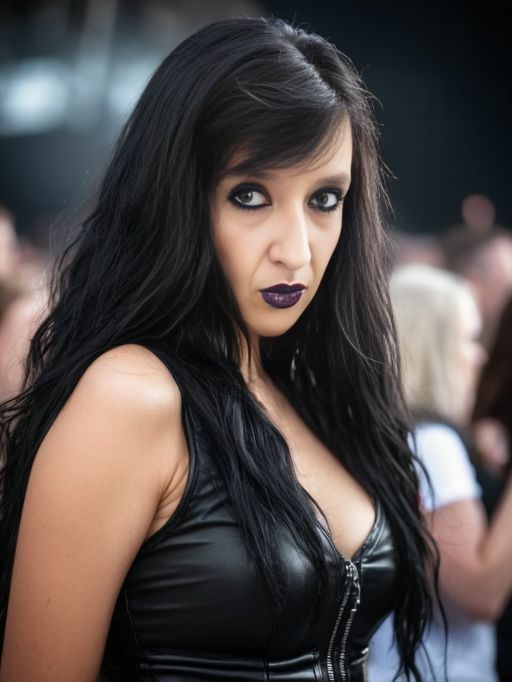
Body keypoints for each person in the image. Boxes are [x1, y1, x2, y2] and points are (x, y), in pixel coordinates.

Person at [0, 18, 436, 682]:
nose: (296, 250)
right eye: (250, 196)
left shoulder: (310, 391)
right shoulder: (130, 398)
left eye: (325, 199)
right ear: (176, 198)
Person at [368, 264, 512, 682]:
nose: (479, 356)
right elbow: (479, 594)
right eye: (468, 339)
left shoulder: (396, 436)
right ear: (433, 348)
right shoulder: (431, 445)